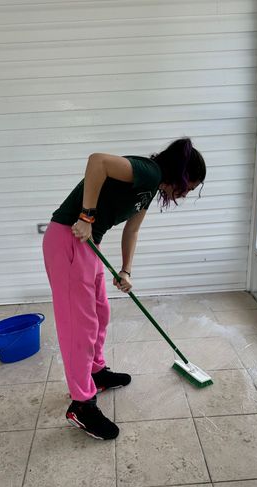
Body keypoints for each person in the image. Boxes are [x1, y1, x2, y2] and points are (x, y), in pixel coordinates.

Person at [42, 138, 206, 440]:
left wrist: (126, 270)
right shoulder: (148, 171)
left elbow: (132, 230)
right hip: (68, 238)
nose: (185, 194)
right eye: (188, 187)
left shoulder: (149, 191)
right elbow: (97, 161)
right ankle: (81, 404)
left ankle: (96, 372)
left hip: (89, 243)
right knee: (79, 326)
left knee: (100, 314)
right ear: (180, 175)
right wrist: (86, 216)